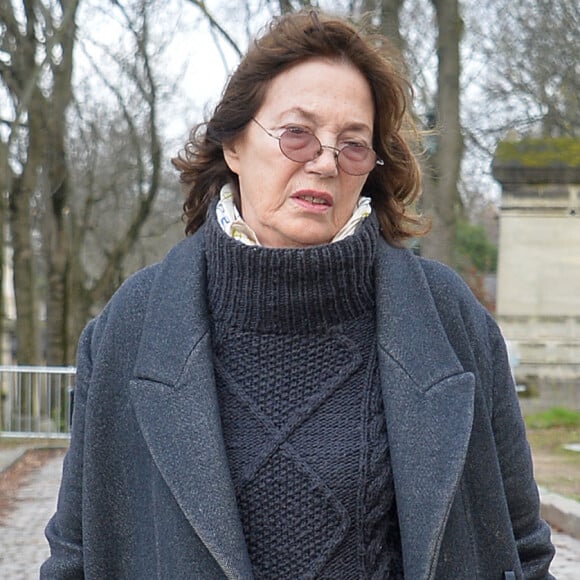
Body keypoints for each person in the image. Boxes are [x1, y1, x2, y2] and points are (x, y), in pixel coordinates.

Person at [41, 10, 555, 579]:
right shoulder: (129, 328)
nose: (326, 162)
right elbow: (76, 557)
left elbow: (522, 549)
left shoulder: (449, 319)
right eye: (297, 134)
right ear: (234, 144)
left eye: (353, 144)